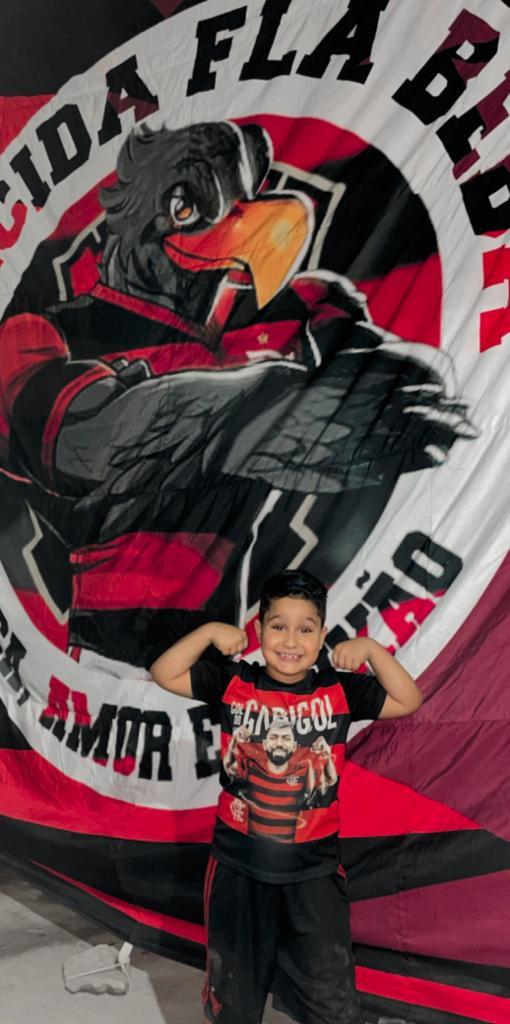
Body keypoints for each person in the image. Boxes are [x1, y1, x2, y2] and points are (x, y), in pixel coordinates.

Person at [150, 569, 423, 1024]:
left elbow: (409, 699)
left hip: (314, 875)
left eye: (305, 629)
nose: (291, 641)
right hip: (237, 871)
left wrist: (373, 650)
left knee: (331, 1001)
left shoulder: (339, 690)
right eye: (278, 626)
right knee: (233, 1002)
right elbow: (164, 672)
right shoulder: (234, 681)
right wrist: (210, 631)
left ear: (322, 637)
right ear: (259, 631)